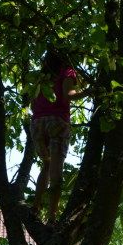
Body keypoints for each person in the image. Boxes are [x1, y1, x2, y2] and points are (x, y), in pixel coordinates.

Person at [31, 50, 81, 221]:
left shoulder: (41, 77)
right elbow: (69, 95)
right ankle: (52, 217)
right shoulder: (67, 71)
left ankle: (35, 207)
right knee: (56, 170)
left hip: (37, 124)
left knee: (46, 165)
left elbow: (33, 104)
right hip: (57, 122)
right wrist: (91, 91)